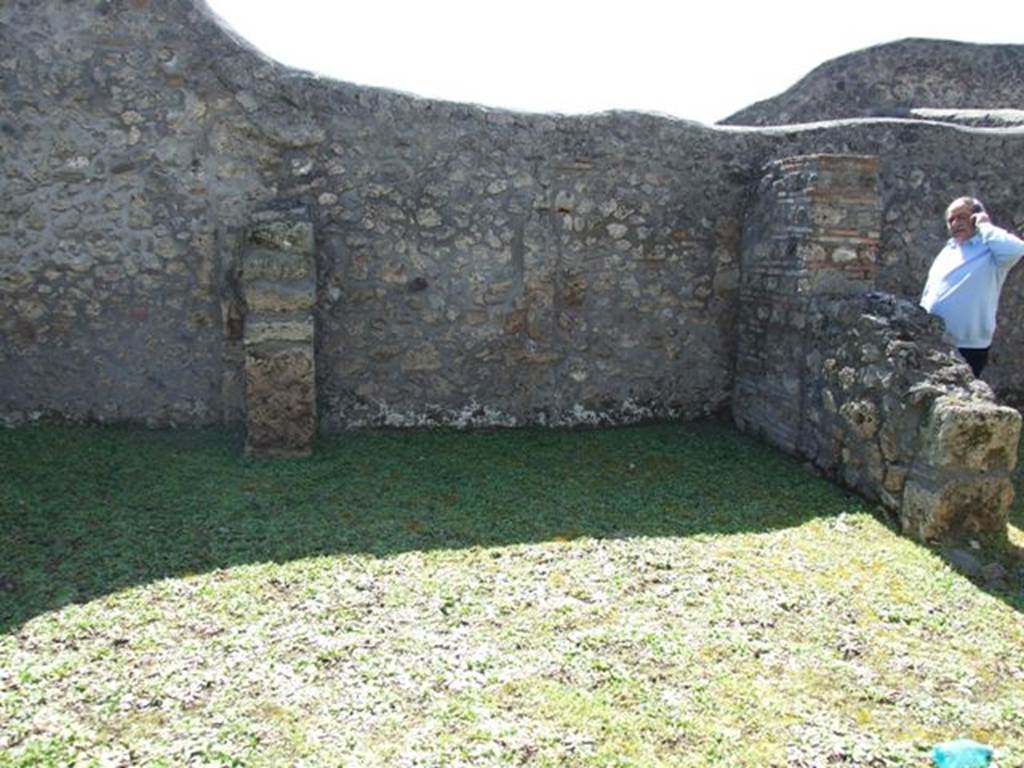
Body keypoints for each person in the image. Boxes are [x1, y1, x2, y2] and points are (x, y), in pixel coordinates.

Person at [920, 197, 1024, 377]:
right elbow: (931, 288)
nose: (955, 223)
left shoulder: (991, 251)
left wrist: (985, 226)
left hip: (968, 346)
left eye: (961, 217)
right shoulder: (949, 249)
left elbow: (1017, 249)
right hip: (935, 339)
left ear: (976, 216)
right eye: (951, 220)